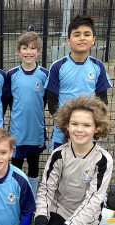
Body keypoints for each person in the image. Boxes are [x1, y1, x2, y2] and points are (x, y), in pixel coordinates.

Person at [35, 95, 113, 225]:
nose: (79, 129)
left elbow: (94, 201)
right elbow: (46, 189)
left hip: (88, 221)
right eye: (75, 124)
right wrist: (41, 222)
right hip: (60, 211)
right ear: (66, 125)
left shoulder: (103, 160)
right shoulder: (58, 154)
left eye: (87, 125)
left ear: (97, 128)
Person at [46, 15, 112, 150]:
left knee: (86, 170)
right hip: (62, 132)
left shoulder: (98, 66)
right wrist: (67, 127)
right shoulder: (57, 67)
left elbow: (102, 101)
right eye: (77, 34)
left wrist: (91, 124)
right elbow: (52, 103)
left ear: (93, 39)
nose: (82, 38)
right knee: (61, 169)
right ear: (69, 40)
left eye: (87, 34)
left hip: (87, 133)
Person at [7, 31, 48, 197]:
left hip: (35, 131)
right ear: (18, 51)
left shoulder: (44, 74)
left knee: (33, 164)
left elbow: (44, 101)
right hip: (18, 132)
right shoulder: (11, 75)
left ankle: (30, 197)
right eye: (25, 48)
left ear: (38, 51)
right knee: (16, 164)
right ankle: (15, 195)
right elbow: (10, 101)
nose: (28, 52)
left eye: (33, 48)